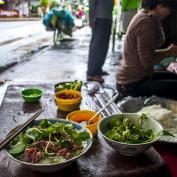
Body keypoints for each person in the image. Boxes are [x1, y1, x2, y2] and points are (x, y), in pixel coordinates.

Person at [116, 0, 177, 100]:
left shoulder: (148, 16)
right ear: (159, 6)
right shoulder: (145, 21)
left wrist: (157, 19)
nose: (169, 13)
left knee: (173, 77)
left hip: (139, 78)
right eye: (168, 9)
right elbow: (147, 61)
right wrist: (169, 52)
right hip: (131, 85)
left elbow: (157, 44)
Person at [87, 0, 114, 83]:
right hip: (99, 18)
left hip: (107, 17)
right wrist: (91, 19)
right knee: (97, 46)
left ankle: (98, 69)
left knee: (104, 46)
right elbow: (92, 3)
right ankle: (92, 73)